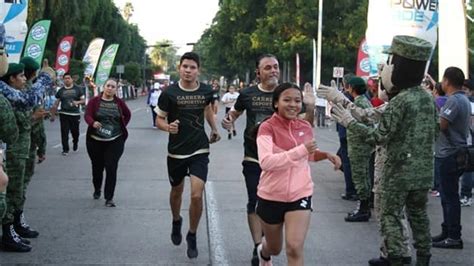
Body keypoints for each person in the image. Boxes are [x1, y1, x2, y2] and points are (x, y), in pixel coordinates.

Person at [328, 35, 436, 265]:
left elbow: (378, 136)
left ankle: (396, 258)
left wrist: (349, 123)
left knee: (390, 215)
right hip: (424, 172)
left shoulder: (401, 101)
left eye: (390, 63)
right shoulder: (427, 99)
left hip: (398, 172)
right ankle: (424, 258)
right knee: (418, 216)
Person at [221, 54, 315, 266]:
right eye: (268, 68)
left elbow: (304, 125)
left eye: (276, 67)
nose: (273, 71)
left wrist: (309, 107)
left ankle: (266, 245)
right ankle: (258, 246)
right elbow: (234, 113)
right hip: (254, 156)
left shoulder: (287, 93)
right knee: (255, 201)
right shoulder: (247, 94)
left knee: (288, 240)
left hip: (285, 161)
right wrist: (229, 121)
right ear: (258, 72)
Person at [255, 82, 340, 266]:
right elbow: (266, 162)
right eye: (287, 100)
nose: (293, 105)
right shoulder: (267, 128)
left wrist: (326, 155)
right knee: (274, 248)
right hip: (271, 196)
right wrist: (301, 150)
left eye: (297, 100)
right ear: (276, 103)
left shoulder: (305, 127)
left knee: (294, 248)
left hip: (300, 194)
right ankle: (263, 252)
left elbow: (308, 155)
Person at [155, 52, 220, 259]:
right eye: (185, 67)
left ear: (198, 70)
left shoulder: (206, 91)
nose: (188, 70)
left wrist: (214, 128)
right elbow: (159, 120)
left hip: (199, 148)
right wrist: (168, 127)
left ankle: (192, 234)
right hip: (176, 151)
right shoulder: (169, 93)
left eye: (192, 67)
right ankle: (176, 221)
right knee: (176, 191)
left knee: (195, 194)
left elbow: (208, 110)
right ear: (179, 68)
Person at [432, 67, 471, 249]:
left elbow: (443, 124)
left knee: (450, 197)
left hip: (449, 153)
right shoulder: (462, 99)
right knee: (448, 196)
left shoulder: (454, 101)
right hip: (455, 152)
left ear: (446, 81)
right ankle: (447, 231)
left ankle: (454, 236)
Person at [84, 78, 131, 207]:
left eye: (113, 87)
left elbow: (127, 115)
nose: (110, 88)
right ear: (104, 87)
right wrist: (93, 123)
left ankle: (109, 197)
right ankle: (97, 188)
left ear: (116, 90)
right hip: (95, 140)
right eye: (108, 86)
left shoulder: (119, 103)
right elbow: (87, 114)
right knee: (97, 167)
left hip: (115, 140)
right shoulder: (94, 101)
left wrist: (121, 127)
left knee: (111, 167)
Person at [17, 56, 47, 240]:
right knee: (19, 188)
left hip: (18, 147)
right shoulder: (29, 93)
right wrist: (42, 148)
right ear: (33, 74)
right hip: (23, 148)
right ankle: (15, 226)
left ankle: (15, 225)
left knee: (16, 188)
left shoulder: (16, 91)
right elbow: (37, 125)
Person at [344, 76, 375, 222]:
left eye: (348, 86)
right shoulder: (361, 101)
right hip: (360, 145)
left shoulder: (360, 103)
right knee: (363, 177)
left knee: (360, 177)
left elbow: (366, 125)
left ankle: (363, 209)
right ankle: (364, 207)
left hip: (360, 146)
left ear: (352, 88)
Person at [50, 72, 85, 155]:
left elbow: (83, 100)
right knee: (64, 132)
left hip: (75, 114)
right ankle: (65, 149)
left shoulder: (78, 89)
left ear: (72, 79)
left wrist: (77, 102)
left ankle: (75, 142)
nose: (67, 80)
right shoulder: (61, 91)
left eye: (69, 78)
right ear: (63, 80)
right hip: (64, 113)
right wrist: (53, 115)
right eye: (65, 78)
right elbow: (56, 103)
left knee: (75, 132)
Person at [460, 79, 474, 207]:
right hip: (468, 140)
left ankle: (466, 195)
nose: (463, 92)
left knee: (468, 169)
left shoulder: (469, 105)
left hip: (469, 141)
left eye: (466, 90)